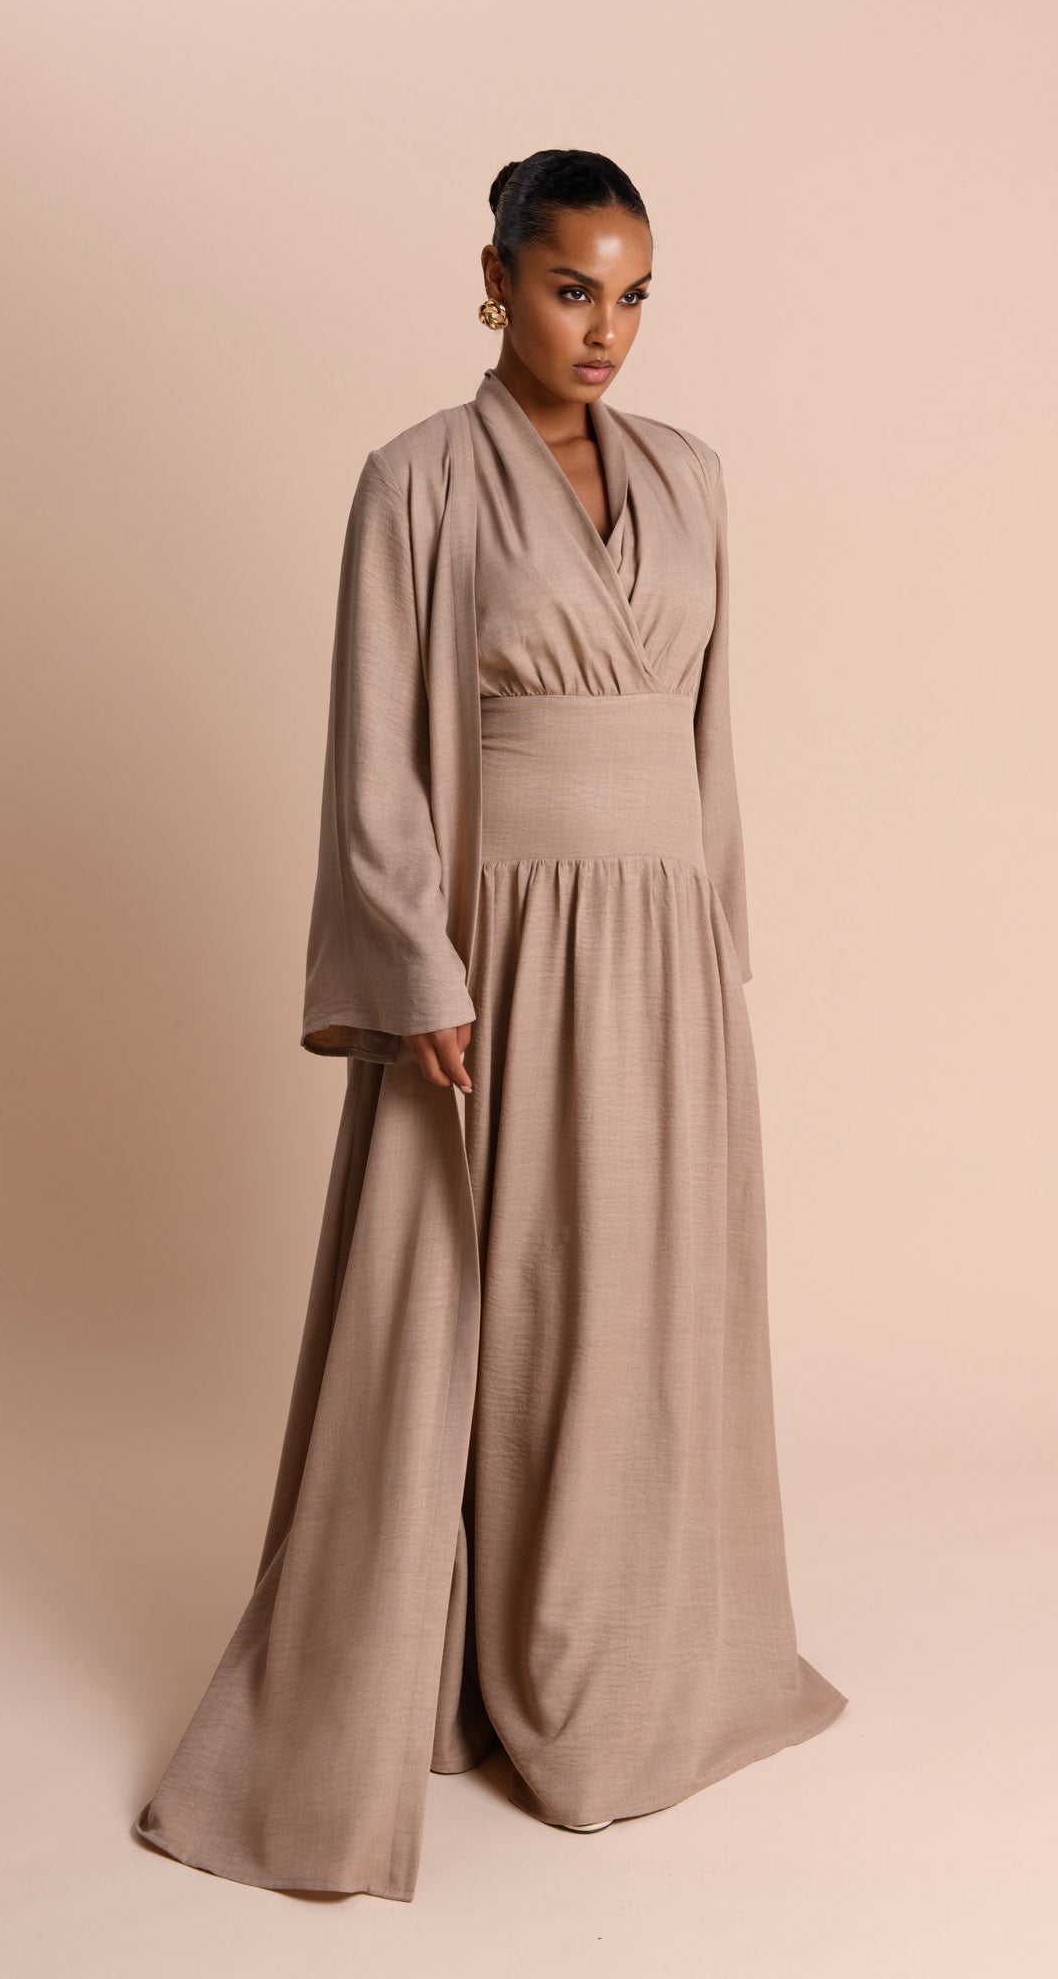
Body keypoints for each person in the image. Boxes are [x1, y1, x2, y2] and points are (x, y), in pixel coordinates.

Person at [134, 147, 848, 1904]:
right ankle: (476, 1662)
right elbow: (374, 741)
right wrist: (418, 971)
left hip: (660, 944)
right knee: (493, 1304)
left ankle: (642, 1662)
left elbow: (708, 737)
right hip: (503, 941)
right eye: (570, 288)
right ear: (496, 281)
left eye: (632, 295)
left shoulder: (691, 478)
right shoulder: (416, 482)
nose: (603, 329)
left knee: (643, 1301)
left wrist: (715, 943)